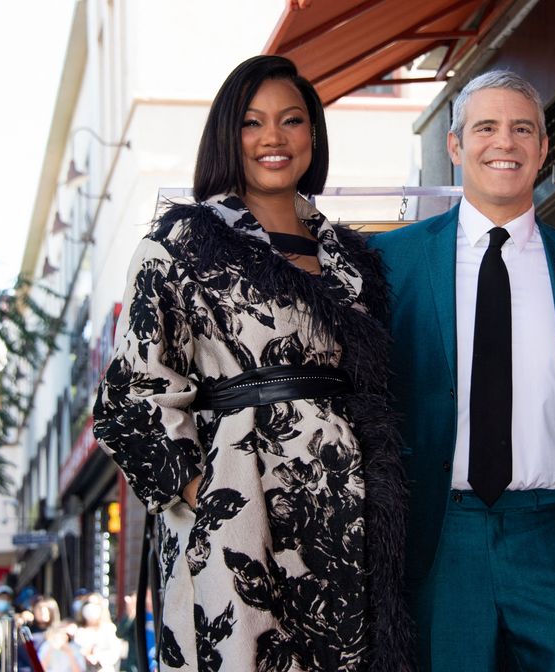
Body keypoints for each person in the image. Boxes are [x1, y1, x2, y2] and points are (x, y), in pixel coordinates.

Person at [92, 54, 412, 671]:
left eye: (291, 120)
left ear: (312, 134)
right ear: (226, 135)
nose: (273, 137)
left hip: (345, 518)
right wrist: (206, 494)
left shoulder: (353, 259)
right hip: (238, 513)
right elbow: (130, 397)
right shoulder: (181, 244)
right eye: (252, 122)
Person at [370, 71, 555, 671]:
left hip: (554, 538)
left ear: (543, 147)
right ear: (455, 146)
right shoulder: (392, 262)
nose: (505, 142)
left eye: (522, 129)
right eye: (486, 128)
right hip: (440, 540)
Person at [72, 593, 122, 672]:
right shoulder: (79, 631)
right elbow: (74, 654)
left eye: (95, 604)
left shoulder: (109, 629)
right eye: (88, 603)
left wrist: (98, 658)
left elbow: (115, 652)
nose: (91, 607)